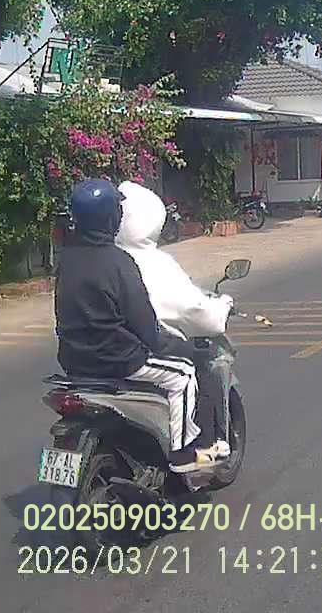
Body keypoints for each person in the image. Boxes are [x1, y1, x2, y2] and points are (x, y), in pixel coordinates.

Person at [54, 179, 219, 473]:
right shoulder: (120, 262)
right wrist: (174, 345)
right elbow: (145, 326)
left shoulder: (66, 259)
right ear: (111, 218)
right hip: (119, 361)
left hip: (74, 363)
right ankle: (182, 455)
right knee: (184, 374)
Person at [116, 181, 233, 460]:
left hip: (90, 355)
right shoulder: (155, 263)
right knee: (201, 363)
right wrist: (223, 305)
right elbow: (195, 311)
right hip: (138, 350)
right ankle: (197, 446)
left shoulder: (103, 258)